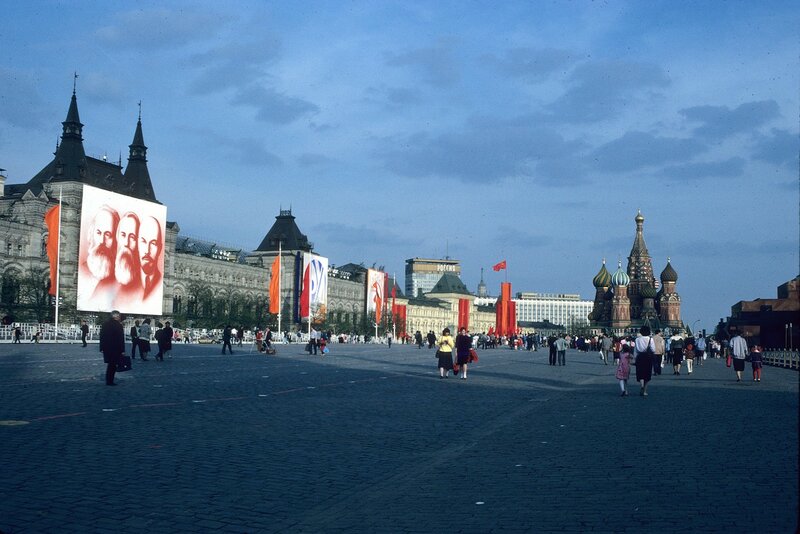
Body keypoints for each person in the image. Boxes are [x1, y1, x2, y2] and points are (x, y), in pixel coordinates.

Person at [138, 215, 163, 301]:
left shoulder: (160, 283)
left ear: (160, 248)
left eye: (153, 243)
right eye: (143, 241)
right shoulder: (125, 284)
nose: (147, 251)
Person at [99, 310, 125, 386]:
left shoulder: (105, 324)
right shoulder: (118, 325)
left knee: (110, 364)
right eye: (119, 316)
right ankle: (110, 381)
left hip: (107, 347)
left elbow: (102, 336)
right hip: (115, 348)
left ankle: (108, 380)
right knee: (113, 365)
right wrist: (122, 350)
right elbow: (121, 339)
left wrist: (101, 347)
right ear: (116, 316)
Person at [634, 325, 656, 396]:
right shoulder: (650, 339)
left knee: (640, 373)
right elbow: (653, 349)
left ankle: (641, 386)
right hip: (648, 357)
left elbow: (635, 350)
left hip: (640, 357)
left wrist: (635, 358)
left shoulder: (637, 339)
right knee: (647, 373)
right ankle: (645, 390)